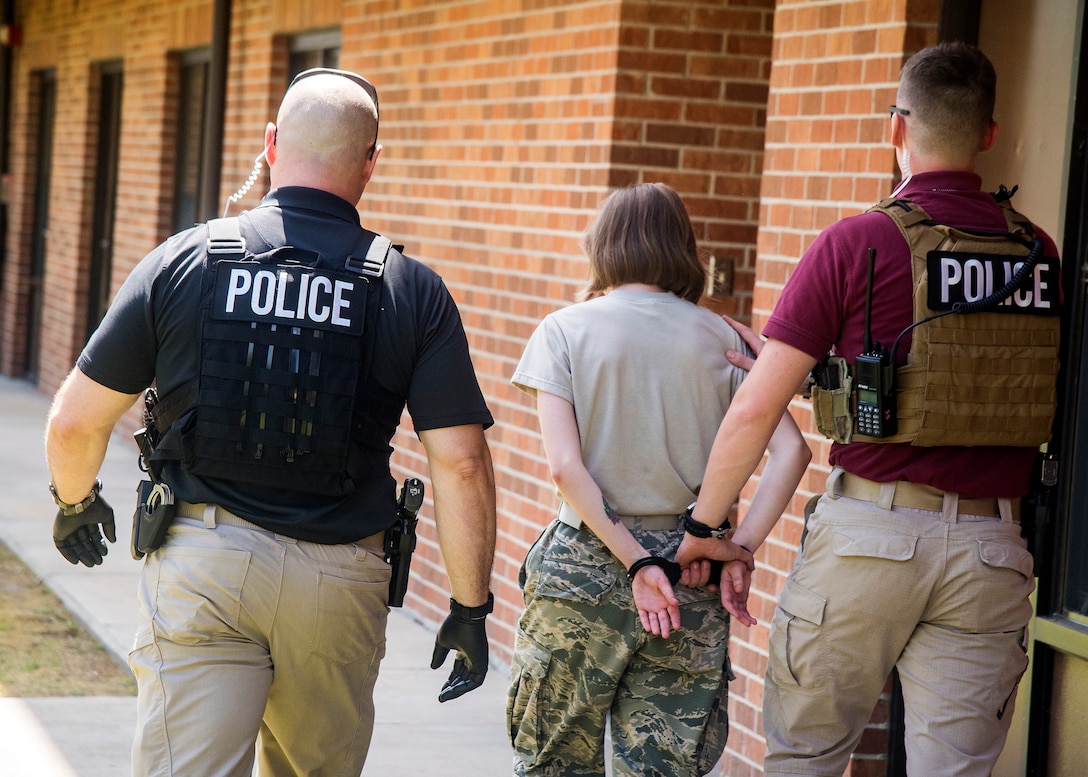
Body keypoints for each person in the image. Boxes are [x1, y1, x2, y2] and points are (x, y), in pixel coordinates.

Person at [44, 68, 497, 777]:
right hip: (339, 577)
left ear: (270, 144)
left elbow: (75, 421)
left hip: (203, 566)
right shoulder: (411, 288)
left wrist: (74, 501)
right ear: (371, 163)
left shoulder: (187, 258)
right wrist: (471, 606)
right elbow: (462, 462)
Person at [676, 42, 1062, 776]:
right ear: (989, 134)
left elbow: (755, 408)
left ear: (896, 127)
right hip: (993, 548)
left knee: (805, 760)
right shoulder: (1037, 253)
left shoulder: (860, 242)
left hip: (868, 539)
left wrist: (706, 527)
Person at [506, 182, 810, 776]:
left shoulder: (564, 330)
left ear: (603, 246)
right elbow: (792, 452)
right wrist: (738, 547)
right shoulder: (724, 337)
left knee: (554, 763)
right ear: (683, 250)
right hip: (691, 569)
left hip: (585, 569)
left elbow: (565, 468)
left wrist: (635, 563)